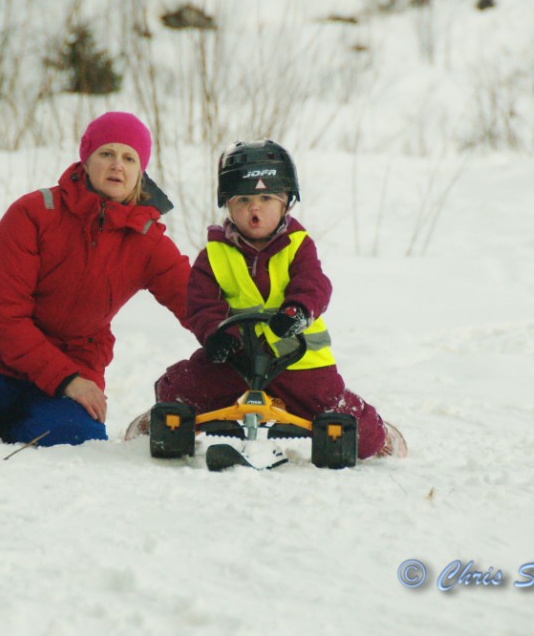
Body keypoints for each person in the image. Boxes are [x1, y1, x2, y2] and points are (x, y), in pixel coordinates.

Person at [0, 112, 191, 447]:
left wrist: (237, 334)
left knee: (73, 439)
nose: (117, 166)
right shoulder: (33, 213)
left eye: (129, 158)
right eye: (106, 154)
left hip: (74, 361)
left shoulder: (147, 240)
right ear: (86, 159)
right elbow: (7, 317)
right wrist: (67, 380)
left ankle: (10, 415)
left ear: (140, 171)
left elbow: (194, 301)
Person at [130, 139, 406, 459]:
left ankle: (380, 435)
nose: (254, 208)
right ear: (228, 205)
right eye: (243, 199)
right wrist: (218, 335)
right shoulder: (215, 254)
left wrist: (297, 312)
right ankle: (159, 419)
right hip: (235, 356)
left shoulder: (298, 246)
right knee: (181, 385)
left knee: (332, 403)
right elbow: (201, 303)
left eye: (266, 198)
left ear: (286, 202)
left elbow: (314, 283)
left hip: (297, 358)